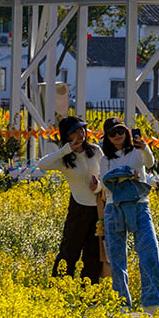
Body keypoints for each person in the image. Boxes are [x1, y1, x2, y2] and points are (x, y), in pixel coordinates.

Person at [99, 117, 159, 313]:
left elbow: (149, 163)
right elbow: (103, 183)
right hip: (114, 207)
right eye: (112, 134)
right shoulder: (105, 159)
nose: (117, 136)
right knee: (116, 258)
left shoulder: (137, 151)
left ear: (126, 132)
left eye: (120, 131)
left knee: (149, 251)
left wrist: (145, 147)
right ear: (107, 138)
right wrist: (125, 175)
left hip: (139, 206)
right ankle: (121, 304)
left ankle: (151, 302)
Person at [37, 116, 104, 285]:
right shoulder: (64, 159)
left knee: (93, 253)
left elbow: (105, 174)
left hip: (98, 207)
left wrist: (99, 187)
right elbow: (42, 165)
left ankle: (89, 294)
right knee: (69, 251)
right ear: (67, 136)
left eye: (82, 129)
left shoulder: (95, 150)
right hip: (78, 207)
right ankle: (59, 289)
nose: (80, 134)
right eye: (74, 131)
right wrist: (65, 150)